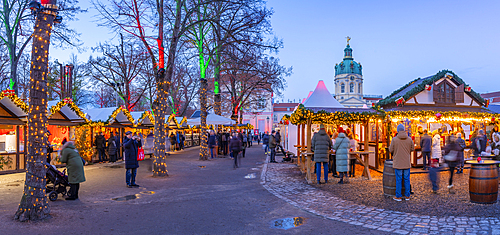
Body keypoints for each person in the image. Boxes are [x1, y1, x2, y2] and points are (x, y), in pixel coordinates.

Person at [389, 124, 414, 201]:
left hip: (398, 162)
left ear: (398, 130)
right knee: (407, 179)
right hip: (406, 162)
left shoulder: (394, 139)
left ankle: (398, 196)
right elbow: (412, 149)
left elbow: (390, 150)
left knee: (399, 179)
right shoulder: (409, 139)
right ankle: (407, 196)